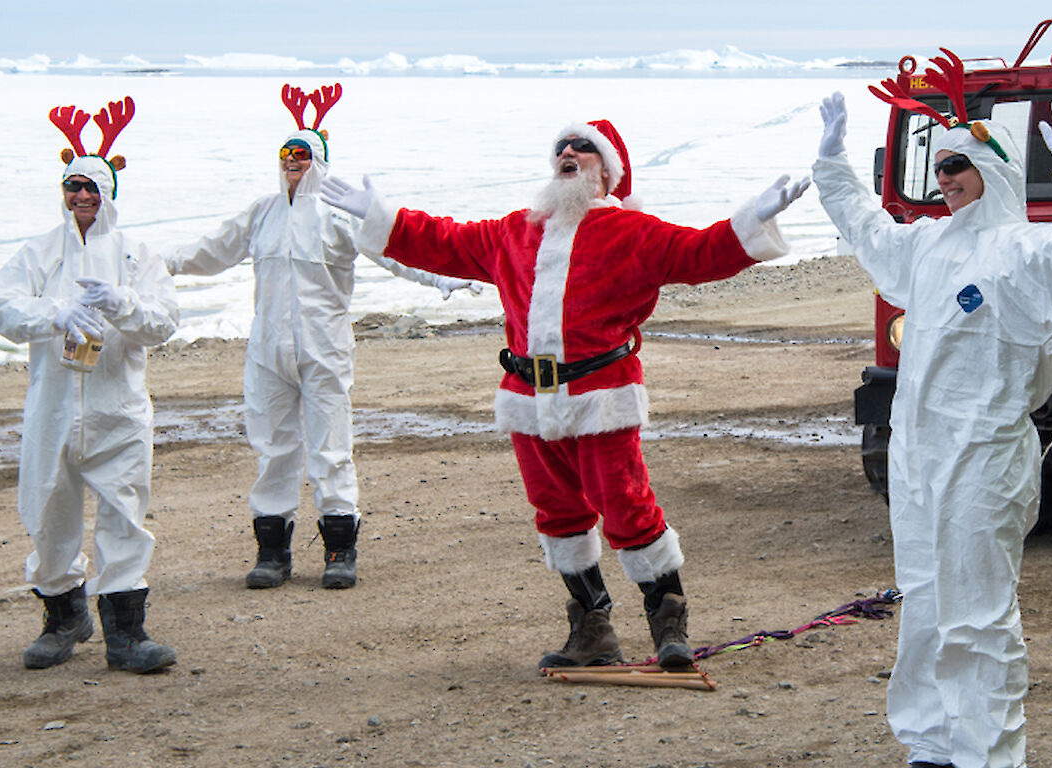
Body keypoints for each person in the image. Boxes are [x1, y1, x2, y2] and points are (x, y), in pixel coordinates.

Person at [319, 118, 808, 670]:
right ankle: (592, 628)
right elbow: (444, 240)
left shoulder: (634, 232)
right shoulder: (512, 232)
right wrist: (382, 217)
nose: (568, 152)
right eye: (561, 148)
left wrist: (751, 221)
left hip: (601, 397)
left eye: (583, 148)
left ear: (608, 171)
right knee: (556, 513)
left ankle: (668, 622)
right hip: (528, 399)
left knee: (626, 506)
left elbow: (701, 252)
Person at [814, 80, 1052, 768]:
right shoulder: (926, 246)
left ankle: (988, 754)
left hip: (984, 455)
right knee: (925, 604)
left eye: (959, 165)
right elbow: (867, 230)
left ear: (996, 170)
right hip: (920, 456)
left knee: (978, 615)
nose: (944, 178)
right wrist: (832, 163)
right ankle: (932, 742)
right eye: (940, 165)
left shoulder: (1021, 251)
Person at [166, 84, 476, 591]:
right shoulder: (261, 212)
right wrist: (161, 264)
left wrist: (441, 275)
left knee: (330, 448)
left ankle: (339, 549)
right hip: (267, 350)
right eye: (288, 154)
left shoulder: (338, 215)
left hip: (325, 347)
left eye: (304, 154)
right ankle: (272, 552)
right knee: (273, 448)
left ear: (320, 160)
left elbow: (391, 252)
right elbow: (212, 250)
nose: (295, 162)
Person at [0, 97, 180, 674]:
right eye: (74, 185)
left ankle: (128, 636)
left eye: (93, 186)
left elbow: (165, 322)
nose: (83, 196)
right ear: (63, 189)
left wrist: (124, 304)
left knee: (123, 515)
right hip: (51, 411)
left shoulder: (137, 255)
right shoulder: (39, 252)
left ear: (111, 189)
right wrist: (55, 312)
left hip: (117, 409)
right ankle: (63, 616)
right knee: (48, 513)